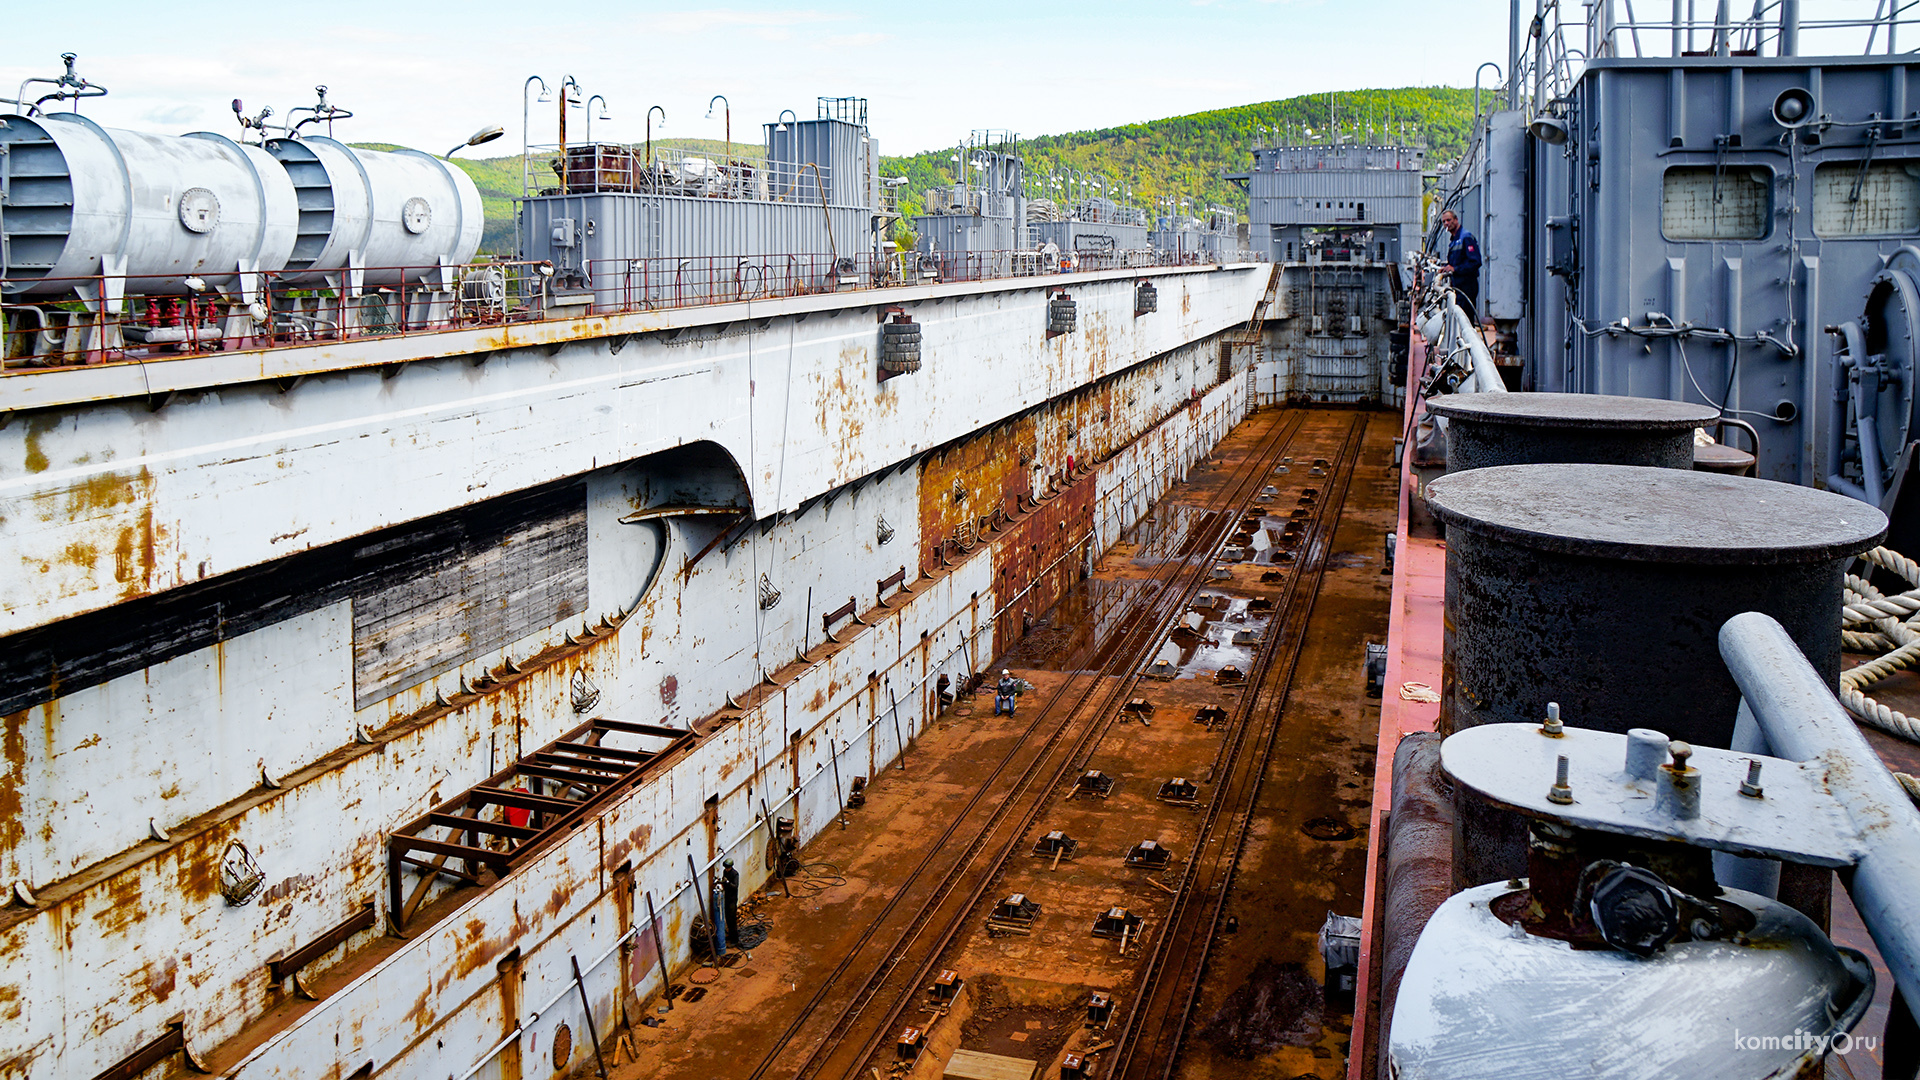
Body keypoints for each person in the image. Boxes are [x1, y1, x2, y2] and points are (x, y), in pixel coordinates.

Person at [1439, 210, 1482, 325]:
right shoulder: (1454, 240)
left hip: (1467, 286)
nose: (1446, 223)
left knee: (1465, 320)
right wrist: (1446, 268)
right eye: (1444, 222)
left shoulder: (1465, 237)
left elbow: (1476, 262)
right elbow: (1455, 262)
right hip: (1458, 286)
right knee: (1458, 319)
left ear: (1456, 220)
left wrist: (1455, 269)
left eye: (1449, 220)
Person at [720, 856, 740, 942]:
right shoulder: (725, 872)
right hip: (727, 898)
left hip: (732, 899)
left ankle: (735, 939)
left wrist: (727, 882)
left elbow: (735, 886)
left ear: (731, 867)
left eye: (728, 868)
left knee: (732, 919)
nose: (726, 869)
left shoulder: (735, 874)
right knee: (727, 918)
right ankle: (730, 935)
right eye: (726, 868)